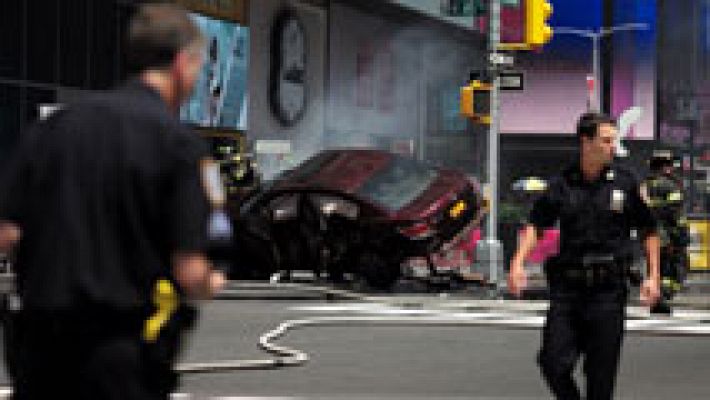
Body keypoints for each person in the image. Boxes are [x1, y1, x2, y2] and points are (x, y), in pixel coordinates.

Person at [0, 3, 226, 399]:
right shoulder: (179, 146)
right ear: (181, 63)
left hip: (40, 351)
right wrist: (211, 280)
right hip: (121, 355)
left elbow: (5, 233)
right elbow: (191, 270)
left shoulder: (51, 130)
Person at [508, 112, 661, 400]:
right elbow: (537, 224)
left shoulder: (625, 183)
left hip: (607, 292)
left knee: (600, 380)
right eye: (605, 140)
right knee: (553, 362)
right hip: (569, 291)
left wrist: (653, 277)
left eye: (614, 140)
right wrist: (518, 263)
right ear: (585, 141)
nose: (612, 146)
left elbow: (648, 230)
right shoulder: (562, 184)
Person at [643, 150, 689, 314]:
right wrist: (680, 237)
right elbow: (674, 213)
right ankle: (662, 298)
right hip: (669, 237)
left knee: (656, 270)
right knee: (675, 269)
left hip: (650, 237)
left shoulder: (645, 186)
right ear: (664, 167)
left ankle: (657, 301)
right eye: (669, 165)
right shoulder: (669, 185)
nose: (672, 169)